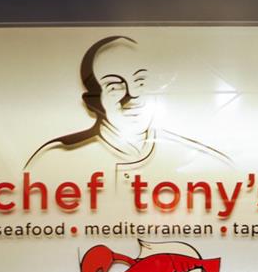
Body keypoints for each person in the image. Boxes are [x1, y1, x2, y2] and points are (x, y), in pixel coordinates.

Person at [25, 34, 231, 174]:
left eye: (141, 82)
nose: (132, 96)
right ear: (93, 101)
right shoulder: (52, 159)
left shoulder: (203, 159)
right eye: (115, 86)